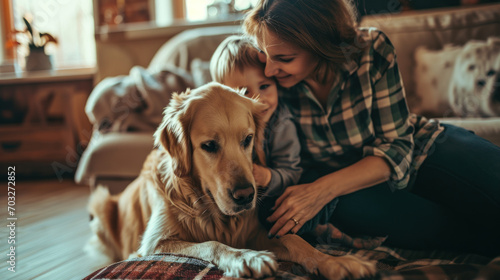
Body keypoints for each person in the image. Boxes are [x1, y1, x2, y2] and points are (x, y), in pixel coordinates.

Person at [243, 0, 500, 257]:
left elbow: (397, 146)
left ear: (321, 45)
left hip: (423, 147)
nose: (269, 69)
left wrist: (319, 190)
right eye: (265, 56)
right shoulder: (271, 84)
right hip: (355, 190)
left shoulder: (371, 49)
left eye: (284, 59)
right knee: (473, 237)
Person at [210, 35, 385, 248]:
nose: (258, 100)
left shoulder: (281, 124)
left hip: (292, 184)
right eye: (244, 92)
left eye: (264, 86)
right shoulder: (226, 128)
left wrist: (267, 176)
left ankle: (333, 233)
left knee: (272, 213)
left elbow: (293, 172)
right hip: (257, 194)